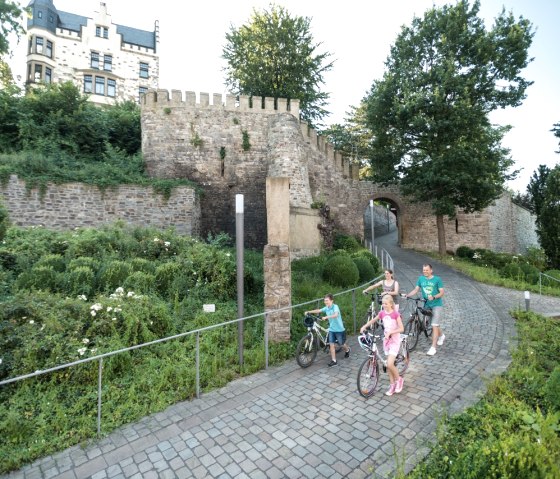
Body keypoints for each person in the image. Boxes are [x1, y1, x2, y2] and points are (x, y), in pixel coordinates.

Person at [360, 295, 405, 395]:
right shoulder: (382, 313)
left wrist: (391, 332)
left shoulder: (395, 314)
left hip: (394, 341)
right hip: (386, 341)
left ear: (391, 304)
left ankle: (399, 379)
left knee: (389, 363)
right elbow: (373, 320)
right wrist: (364, 326)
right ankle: (392, 385)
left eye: (386, 303)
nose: (384, 305)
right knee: (388, 365)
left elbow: (401, 328)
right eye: (383, 303)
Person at [404, 263, 445, 356]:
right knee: (434, 324)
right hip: (426, 304)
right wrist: (407, 295)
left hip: (436, 304)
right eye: (424, 270)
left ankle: (433, 348)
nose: (425, 271)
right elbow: (416, 290)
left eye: (427, 270)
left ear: (431, 270)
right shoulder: (421, 279)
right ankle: (442, 335)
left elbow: (442, 292)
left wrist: (434, 297)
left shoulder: (437, 279)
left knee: (434, 325)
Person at [305, 294, 350, 367]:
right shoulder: (326, 308)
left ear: (331, 300)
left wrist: (326, 317)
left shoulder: (335, 307)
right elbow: (319, 310)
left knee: (341, 344)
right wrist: (309, 311)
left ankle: (347, 350)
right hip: (332, 329)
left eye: (327, 300)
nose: (325, 302)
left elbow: (336, 315)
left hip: (339, 329)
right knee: (332, 345)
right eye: (324, 300)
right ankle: (334, 361)